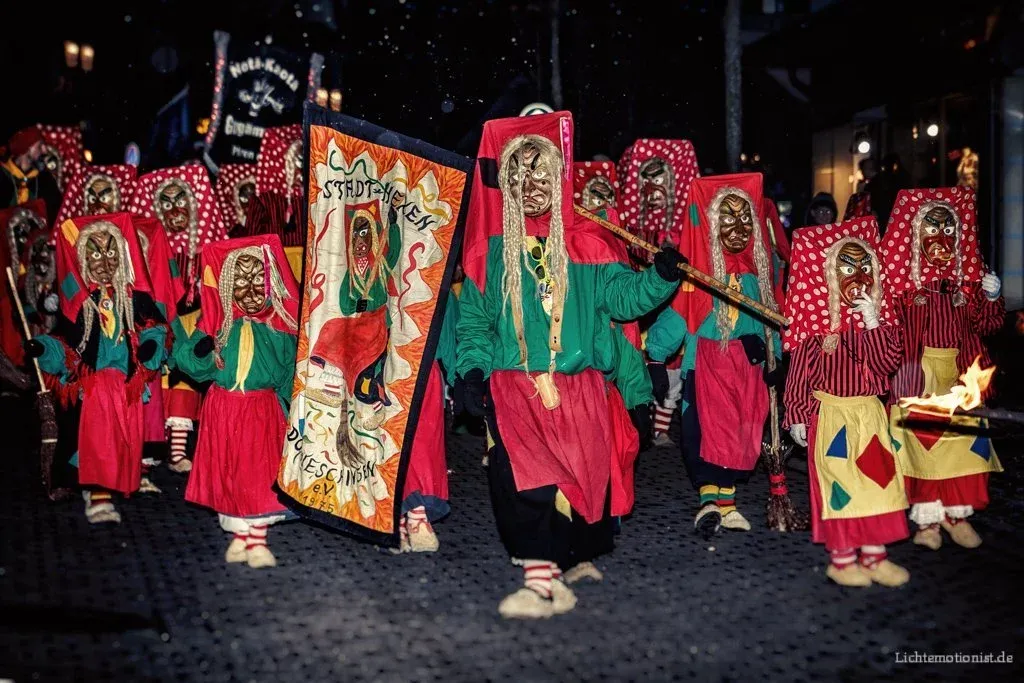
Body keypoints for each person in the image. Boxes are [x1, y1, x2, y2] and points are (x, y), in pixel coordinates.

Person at [456, 111, 685, 618]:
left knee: (575, 483)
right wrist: (470, 372)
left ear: (558, 179)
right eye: (519, 175)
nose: (531, 185)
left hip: (580, 391)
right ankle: (540, 582)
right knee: (525, 483)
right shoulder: (489, 255)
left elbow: (626, 299)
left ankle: (563, 565)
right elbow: (473, 324)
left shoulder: (587, 247)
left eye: (542, 175)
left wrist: (662, 277)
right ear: (507, 186)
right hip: (515, 388)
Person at [645, 173, 783, 538]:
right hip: (707, 369)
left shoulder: (757, 278)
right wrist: (655, 356)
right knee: (707, 435)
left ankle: (728, 503)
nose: (737, 227)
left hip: (747, 372)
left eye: (744, 218)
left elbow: (770, 319)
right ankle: (709, 501)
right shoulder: (699, 277)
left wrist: (776, 359)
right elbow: (679, 316)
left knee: (741, 434)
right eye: (727, 217)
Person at [783, 216, 911, 587]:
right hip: (832, 417)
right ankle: (841, 560)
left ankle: (875, 556)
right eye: (847, 266)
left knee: (877, 482)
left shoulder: (881, 324)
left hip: (870, 414)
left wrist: (873, 322)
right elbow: (800, 376)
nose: (858, 274)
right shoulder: (817, 330)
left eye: (864, 264)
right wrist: (796, 415)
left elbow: (888, 364)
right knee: (839, 486)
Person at [880, 187, 1004, 550]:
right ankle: (928, 520)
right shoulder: (902, 286)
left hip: (961, 373)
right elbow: (889, 329)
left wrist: (991, 296)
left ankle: (956, 515)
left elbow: (989, 326)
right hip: (919, 373)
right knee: (924, 448)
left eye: (949, 229)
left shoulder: (968, 279)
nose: (941, 238)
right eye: (932, 229)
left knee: (962, 446)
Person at [25, 212, 168, 523]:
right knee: (98, 440)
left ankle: (118, 481)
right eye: (95, 252)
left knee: (123, 440)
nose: (104, 260)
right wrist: (42, 348)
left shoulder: (135, 298)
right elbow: (64, 346)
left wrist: (150, 347)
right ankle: (98, 493)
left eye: (110, 250)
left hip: (127, 386)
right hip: (95, 388)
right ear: (83, 259)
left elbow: (156, 328)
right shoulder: (80, 305)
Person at [175, 234, 298, 568]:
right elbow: (188, 362)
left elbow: (290, 372)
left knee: (259, 475)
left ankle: (257, 538)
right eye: (241, 280)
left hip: (261, 411)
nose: (251, 288)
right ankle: (239, 535)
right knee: (229, 472)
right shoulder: (218, 329)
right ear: (228, 286)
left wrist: (293, 413)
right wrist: (200, 350)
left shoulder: (280, 328)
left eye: (259, 278)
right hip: (223, 410)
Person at [130, 164, 230, 472]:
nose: (174, 208)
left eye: (180, 200)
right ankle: (147, 449)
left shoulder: (205, 247)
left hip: (194, 323)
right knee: (156, 383)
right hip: (159, 323)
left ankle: (177, 452)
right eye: (166, 202)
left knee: (185, 382)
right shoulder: (148, 246)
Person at [618, 140, 701, 444]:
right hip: (635, 306)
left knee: (672, 365)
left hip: (673, 303)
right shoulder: (627, 225)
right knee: (631, 361)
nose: (653, 187)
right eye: (647, 178)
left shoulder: (684, 227)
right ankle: (635, 420)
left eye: (660, 178)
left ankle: (661, 426)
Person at [1, 127, 62, 218]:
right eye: (40, 145)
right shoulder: (2, 176)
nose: (45, 150)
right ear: (27, 148)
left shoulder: (46, 180)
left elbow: (56, 214)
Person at [55, 164, 138, 228]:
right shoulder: (77, 231)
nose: (98, 206)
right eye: (93, 199)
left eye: (104, 199)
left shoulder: (125, 229)